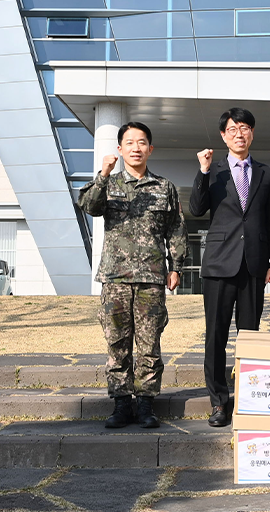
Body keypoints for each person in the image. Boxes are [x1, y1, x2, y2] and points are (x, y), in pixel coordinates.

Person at [77, 121, 188, 429]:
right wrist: (103, 174)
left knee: (149, 343)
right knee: (117, 343)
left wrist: (176, 266)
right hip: (115, 278)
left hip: (152, 278)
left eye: (142, 143)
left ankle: (146, 404)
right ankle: (121, 403)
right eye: (129, 143)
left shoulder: (163, 187)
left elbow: (176, 230)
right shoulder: (108, 184)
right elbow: (87, 205)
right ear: (120, 149)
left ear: (150, 149)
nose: (136, 148)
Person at [190, 108, 270, 427]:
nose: (239, 133)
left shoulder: (268, 173)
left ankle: (248, 398)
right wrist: (202, 172)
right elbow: (197, 208)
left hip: (254, 264)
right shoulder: (212, 171)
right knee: (215, 335)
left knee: (250, 336)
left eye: (244, 128)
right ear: (223, 135)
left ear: (252, 133)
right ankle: (218, 402)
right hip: (218, 263)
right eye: (232, 129)